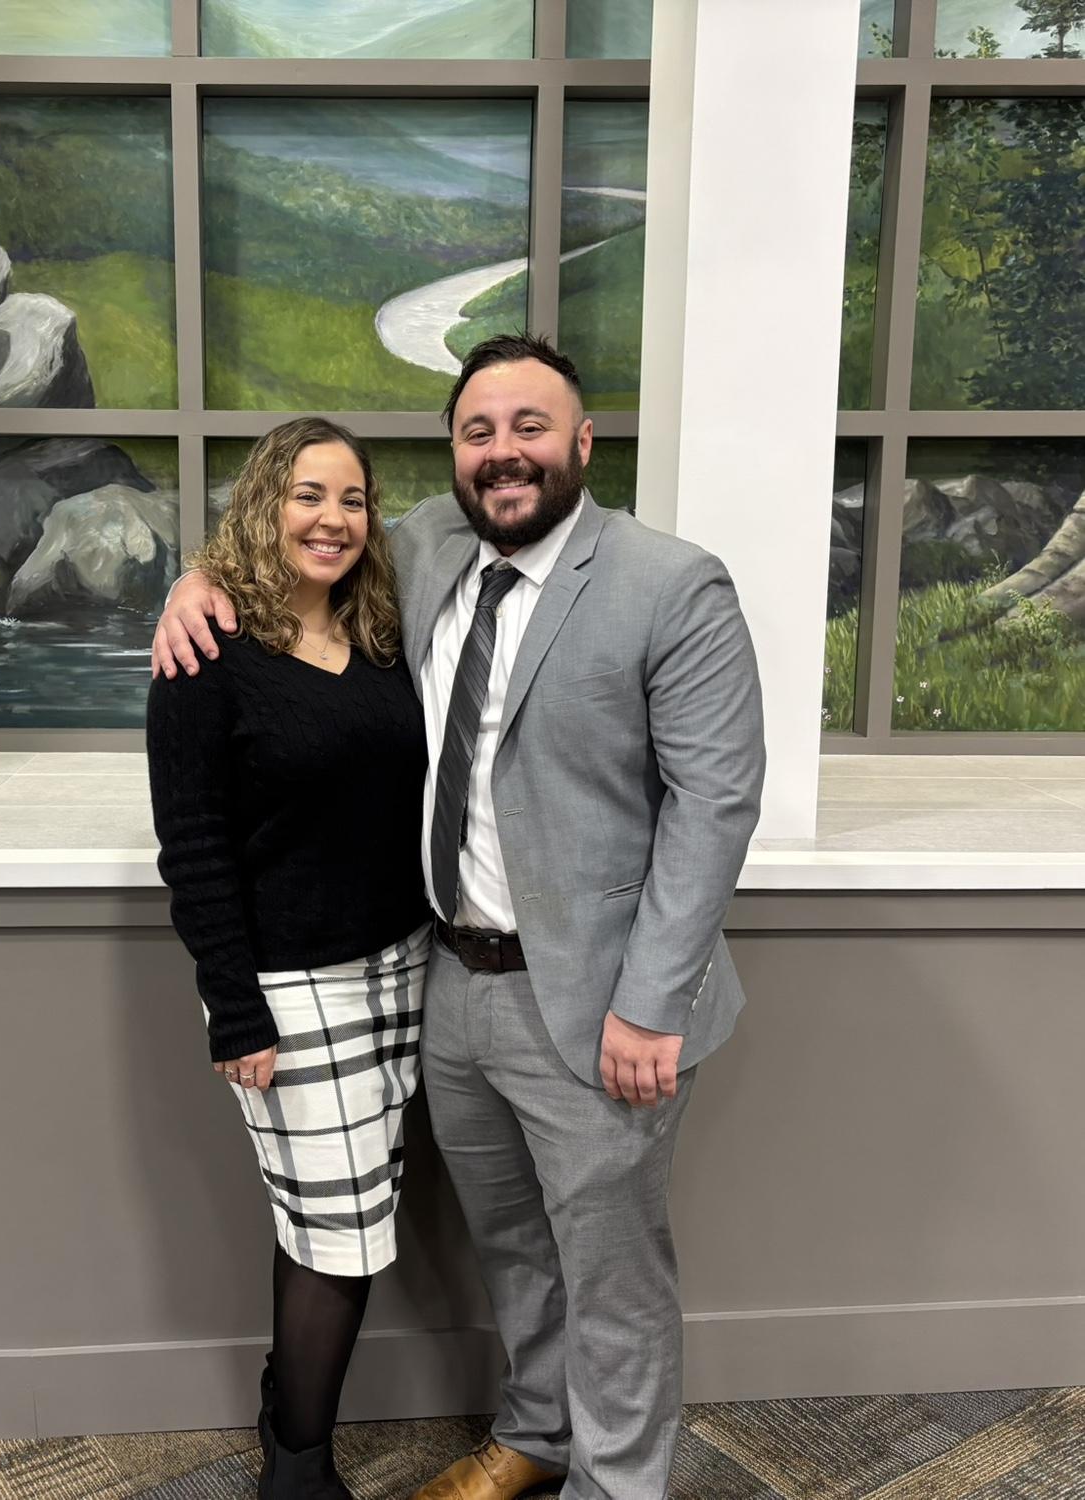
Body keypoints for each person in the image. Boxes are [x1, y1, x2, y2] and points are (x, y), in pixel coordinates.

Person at [153, 335, 766, 1500]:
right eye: (479, 431)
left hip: (600, 1001)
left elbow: (716, 803)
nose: (504, 452)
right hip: (448, 984)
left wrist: (652, 1005)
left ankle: (616, 1488)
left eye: (532, 426)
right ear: (454, 452)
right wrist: (193, 585)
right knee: (514, 1250)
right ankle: (537, 1436)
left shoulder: (671, 584)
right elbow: (293, 539)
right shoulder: (430, 542)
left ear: (584, 441)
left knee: (613, 1271)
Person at [145, 417, 431, 1500]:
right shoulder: (206, 657)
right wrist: (235, 1008)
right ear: (265, 504)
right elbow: (194, 846)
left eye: (353, 499)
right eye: (308, 495)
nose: (332, 519)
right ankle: (298, 1471)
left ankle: (287, 1416)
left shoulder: (382, 636)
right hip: (293, 988)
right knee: (344, 1237)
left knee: (331, 1221)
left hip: (408, 967)